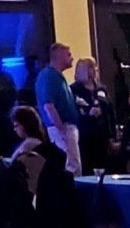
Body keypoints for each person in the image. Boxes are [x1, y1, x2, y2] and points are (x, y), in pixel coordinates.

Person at [35, 43, 81, 172]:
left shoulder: (57, 76)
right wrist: (61, 130)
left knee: (73, 164)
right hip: (61, 128)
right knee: (71, 167)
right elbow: (49, 106)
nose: (72, 58)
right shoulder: (49, 76)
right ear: (59, 56)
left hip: (64, 127)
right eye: (68, 55)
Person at [71, 57, 114, 173]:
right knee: (88, 166)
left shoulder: (101, 88)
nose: (94, 69)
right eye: (90, 67)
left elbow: (110, 110)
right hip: (85, 135)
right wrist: (88, 114)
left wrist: (112, 134)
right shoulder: (74, 90)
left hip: (102, 134)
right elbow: (74, 112)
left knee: (104, 165)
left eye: (94, 66)